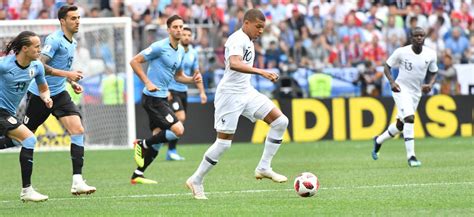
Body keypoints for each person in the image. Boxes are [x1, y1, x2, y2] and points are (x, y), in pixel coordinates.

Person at [186, 9, 288, 200]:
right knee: (223, 144)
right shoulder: (237, 38)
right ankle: (196, 179)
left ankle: (264, 167)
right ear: (246, 23)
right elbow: (234, 63)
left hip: (246, 91)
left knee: (281, 122)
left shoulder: (249, 41)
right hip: (230, 95)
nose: (260, 31)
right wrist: (262, 72)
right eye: (258, 27)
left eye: (263, 28)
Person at [22, 5, 96, 195]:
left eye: (78, 17)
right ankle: (27, 189)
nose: (77, 21)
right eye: (73, 18)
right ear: (63, 21)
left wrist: (71, 82)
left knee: (78, 129)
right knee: (22, 138)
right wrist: (68, 74)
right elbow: (40, 65)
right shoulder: (54, 40)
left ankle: (78, 181)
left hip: (60, 93)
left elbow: (61, 68)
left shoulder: (72, 42)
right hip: (40, 94)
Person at [130, 15, 202, 184]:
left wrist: (192, 79)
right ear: (169, 29)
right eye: (175, 27)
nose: (179, 30)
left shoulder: (181, 52)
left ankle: (137, 174)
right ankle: (142, 144)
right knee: (178, 130)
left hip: (161, 98)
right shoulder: (159, 47)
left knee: (158, 140)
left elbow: (178, 76)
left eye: (181, 26)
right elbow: (134, 61)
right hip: (153, 99)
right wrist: (147, 82)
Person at [372, 27, 438, 167]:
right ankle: (411, 157)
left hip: (416, 92)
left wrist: (430, 84)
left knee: (400, 125)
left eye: (422, 35)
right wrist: (392, 82)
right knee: (410, 117)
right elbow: (387, 66)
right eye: (416, 35)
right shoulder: (401, 52)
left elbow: (434, 71)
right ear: (411, 37)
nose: (419, 38)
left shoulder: (430, 54)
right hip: (401, 89)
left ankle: (378, 141)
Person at [0, 31, 53, 202]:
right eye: (36, 46)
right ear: (25, 48)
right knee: (29, 139)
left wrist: (46, 97)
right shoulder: (4, 65)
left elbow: (43, 88)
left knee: (18, 141)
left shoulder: (36, 67)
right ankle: (27, 190)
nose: (40, 49)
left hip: (9, 113)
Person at [166, 27, 207, 161]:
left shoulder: (193, 53)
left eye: (189, 35)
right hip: (172, 90)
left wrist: (202, 92)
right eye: (184, 34)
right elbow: (166, 71)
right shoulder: (173, 51)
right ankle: (168, 146)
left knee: (180, 121)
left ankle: (167, 146)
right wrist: (166, 89)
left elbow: (196, 74)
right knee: (180, 117)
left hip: (184, 91)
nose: (187, 37)